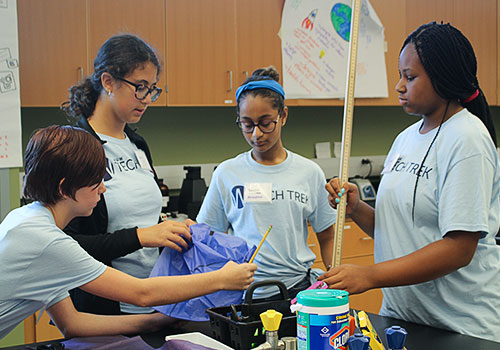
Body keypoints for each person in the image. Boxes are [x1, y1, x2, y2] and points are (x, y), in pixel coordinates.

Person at [319, 22, 500, 342]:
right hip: (403, 319)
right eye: (400, 74)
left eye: (410, 77)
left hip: (459, 327)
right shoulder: (405, 139)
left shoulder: (468, 139)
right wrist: (358, 208)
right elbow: (395, 229)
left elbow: (459, 248)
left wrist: (369, 275)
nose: (399, 86)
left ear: (443, 76)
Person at [0, 125, 256, 340]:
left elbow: (72, 323)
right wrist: (222, 279)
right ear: (65, 188)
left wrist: (154, 323)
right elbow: (141, 293)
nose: (103, 189)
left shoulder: (26, 218)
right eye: (96, 181)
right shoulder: (47, 242)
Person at [60, 34, 192, 315]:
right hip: (107, 311)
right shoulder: (77, 148)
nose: (146, 99)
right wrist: (142, 236)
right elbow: (68, 247)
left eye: (152, 89)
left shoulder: (137, 145)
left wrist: (170, 231)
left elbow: (145, 221)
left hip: (154, 301)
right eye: (139, 88)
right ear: (108, 82)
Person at [196, 67, 336, 301]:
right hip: (245, 294)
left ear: (283, 116)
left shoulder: (309, 173)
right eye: (247, 124)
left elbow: (327, 236)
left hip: (297, 292)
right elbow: (208, 237)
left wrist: (334, 277)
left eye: (266, 123)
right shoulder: (227, 173)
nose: (256, 134)